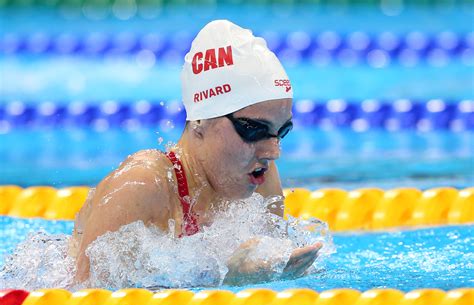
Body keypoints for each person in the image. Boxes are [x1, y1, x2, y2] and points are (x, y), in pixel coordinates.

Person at [69, 20, 322, 285]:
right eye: (253, 129)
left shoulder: (260, 180)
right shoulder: (142, 186)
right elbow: (88, 302)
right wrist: (224, 278)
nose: (273, 152)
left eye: (281, 132)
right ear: (201, 120)